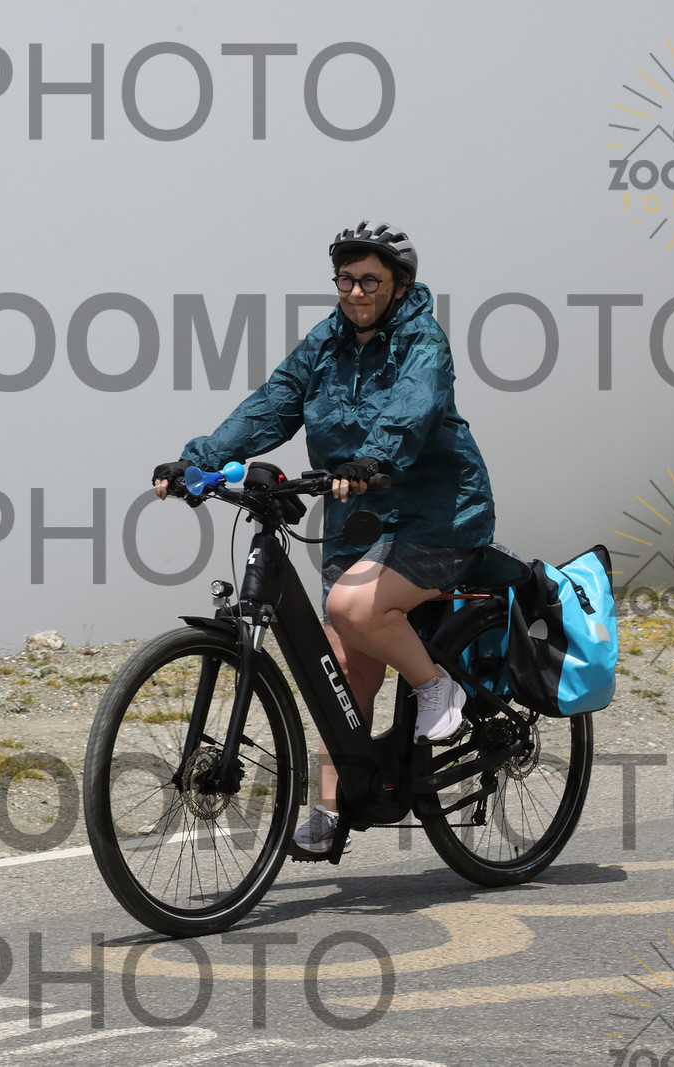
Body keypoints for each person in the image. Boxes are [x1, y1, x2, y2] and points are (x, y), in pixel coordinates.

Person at [152, 221, 495, 855]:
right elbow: (272, 404)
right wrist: (197, 461)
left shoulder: (423, 340)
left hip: (436, 515)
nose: (356, 292)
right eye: (346, 279)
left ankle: (435, 687)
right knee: (343, 665)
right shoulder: (326, 342)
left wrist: (373, 459)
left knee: (351, 608)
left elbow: (412, 410)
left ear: (399, 286)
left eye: (371, 280)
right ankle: (335, 808)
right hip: (355, 516)